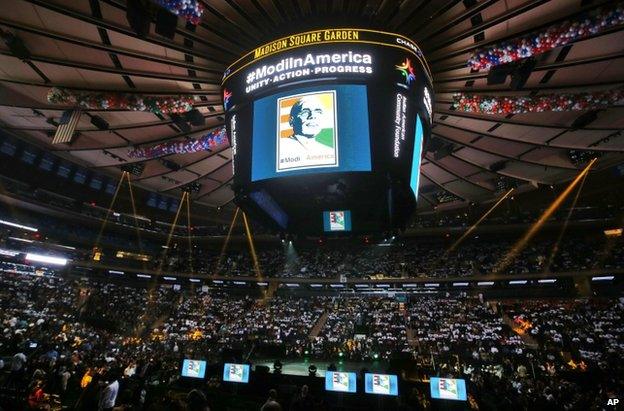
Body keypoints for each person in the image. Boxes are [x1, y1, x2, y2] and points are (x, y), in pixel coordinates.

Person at [278, 94, 337, 171]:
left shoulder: (329, 151)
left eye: (318, 112)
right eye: (305, 112)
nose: (312, 116)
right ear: (291, 121)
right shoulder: (283, 146)